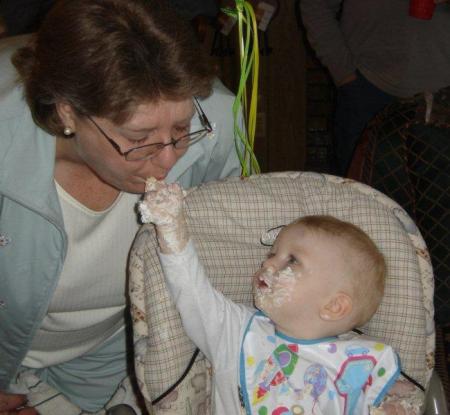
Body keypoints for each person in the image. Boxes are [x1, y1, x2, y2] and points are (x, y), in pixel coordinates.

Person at [0, 0, 242, 413]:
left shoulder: (214, 119)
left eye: (182, 129)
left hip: (111, 356)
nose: (170, 160)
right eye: (139, 137)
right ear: (67, 112)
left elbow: (223, 258)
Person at [138, 179, 420, 415]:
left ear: (334, 306)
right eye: (272, 254)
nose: (269, 264)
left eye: (292, 261)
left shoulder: (360, 362)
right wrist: (171, 229)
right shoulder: (235, 332)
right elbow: (191, 292)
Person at [300, 0, 450, 176]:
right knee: (360, 198)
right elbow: (315, 5)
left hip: (444, 95)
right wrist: (344, 74)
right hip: (366, 92)